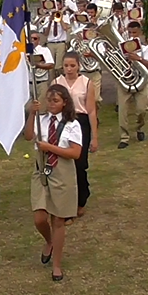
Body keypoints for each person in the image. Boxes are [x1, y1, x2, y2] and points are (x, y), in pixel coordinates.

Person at [23, 84, 82, 282]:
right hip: (41, 170)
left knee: (58, 219)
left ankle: (56, 264)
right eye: (49, 100)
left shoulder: (72, 124)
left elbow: (75, 153)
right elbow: (29, 136)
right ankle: (48, 241)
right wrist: (32, 114)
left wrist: (50, 148)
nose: (51, 104)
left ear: (65, 102)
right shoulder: (41, 120)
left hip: (62, 172)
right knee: (39, 217)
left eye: (55, 101)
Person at [53, 52, 99, 224]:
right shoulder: (57, 83)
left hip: (81, 122)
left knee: (79, 164)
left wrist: (94, 137)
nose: (69, 69)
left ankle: (81, 198)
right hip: (62, 122)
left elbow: (92, 110)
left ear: (79, 65)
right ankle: (66, 206)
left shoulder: (87, 83)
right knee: (63, 165)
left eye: (72, 65)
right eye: (66, 66)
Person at [117, 22, 148, 150]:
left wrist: (138, 59)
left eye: (135, 33)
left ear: (140, 33)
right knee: (123, 111)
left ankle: (139, 128)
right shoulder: (121, 47)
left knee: (141, 109)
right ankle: (124, 137)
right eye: (130, 33)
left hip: (141, 81)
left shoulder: (145, 48)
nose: (132, 36)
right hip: (125, 81)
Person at [28, 32, 55, 113]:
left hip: (41, 82)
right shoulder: (24, 51)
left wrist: (37, 65)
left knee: (42, 110)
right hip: (28, 83)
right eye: (31, 38)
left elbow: (51, 65)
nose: (32, 40)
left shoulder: (44, 50)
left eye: (35, 39)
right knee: (28, 110)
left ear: (38, 40)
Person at [43, 0, 70, 79]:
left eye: (58, 5)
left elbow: (65, 28)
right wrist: (50, 21)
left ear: (61, 5)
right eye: (55, 5)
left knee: (59, 66)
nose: (57, 7)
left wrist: (60, 18)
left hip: (60, 43)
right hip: (50, 43)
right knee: (50, 65)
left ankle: (61, 82)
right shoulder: (47, 17)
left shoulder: (65, 16)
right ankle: (52, 83)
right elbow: (45, 34)